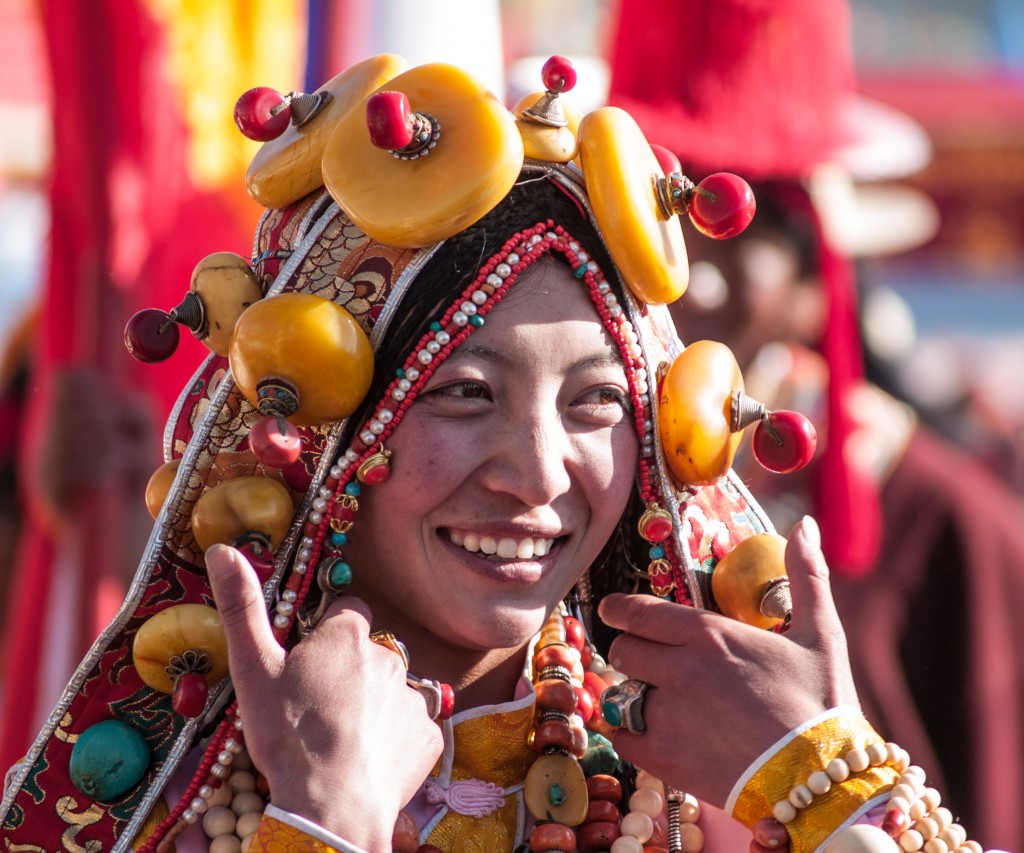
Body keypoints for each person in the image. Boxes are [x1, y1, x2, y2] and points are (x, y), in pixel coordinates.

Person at [1, 54, 996, 853]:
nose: (539, 472)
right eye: (464, 393)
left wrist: (829, 779)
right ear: (321, 436)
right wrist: (321, 815)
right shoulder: (158, 807)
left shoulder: (718, 787)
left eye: (597, 402)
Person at [608, 0, 1024, 848]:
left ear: (811, 276)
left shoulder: (945, 517)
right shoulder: (562, 480)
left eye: (730, 232)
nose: (692, 275)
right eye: (663, 222)